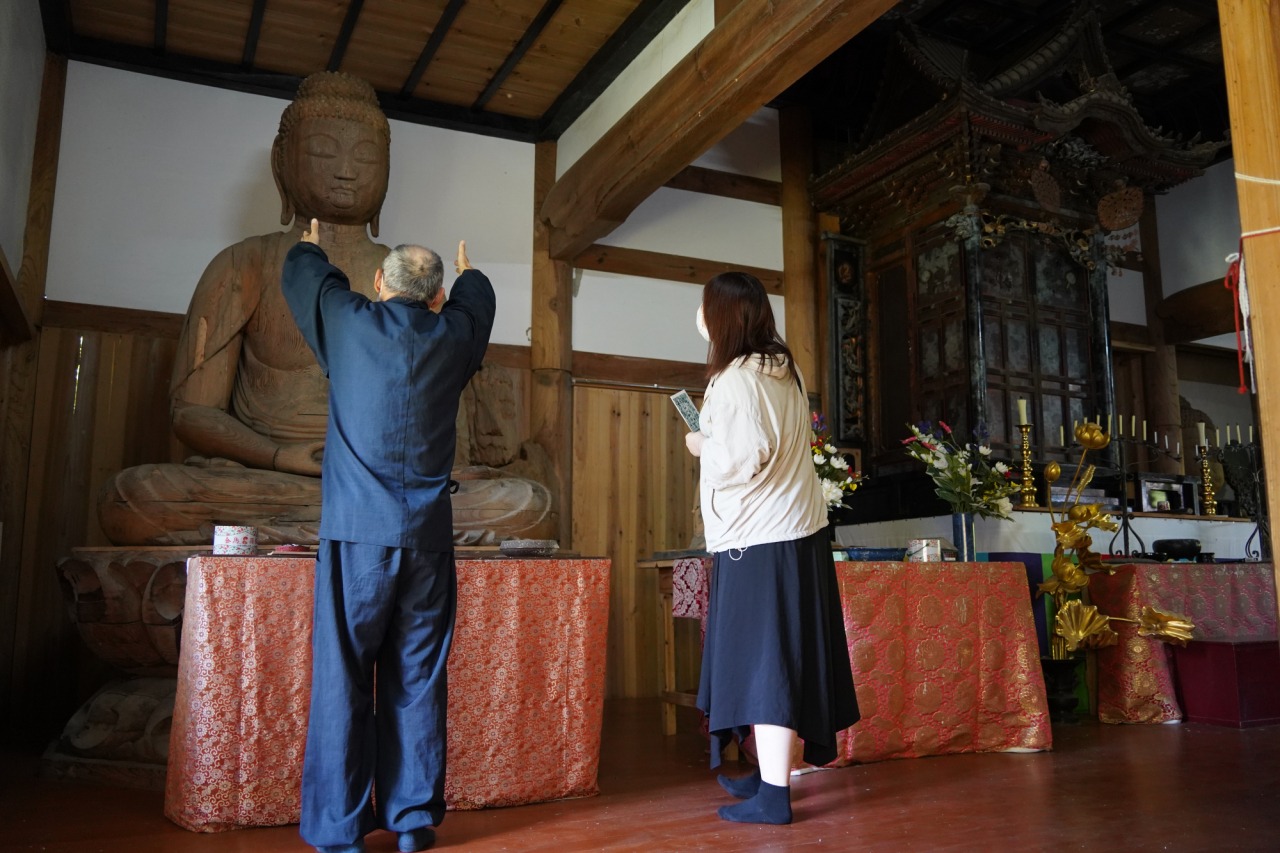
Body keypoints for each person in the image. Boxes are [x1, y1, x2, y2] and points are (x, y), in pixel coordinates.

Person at [96, 70, 550, 548]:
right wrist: (278, 455)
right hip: (276, 478)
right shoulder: (244, 264)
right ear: (282, 164)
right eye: (322, 152)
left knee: (524, 503)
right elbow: (191, 413)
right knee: (137, 497)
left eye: (366, 157)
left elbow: (438, 400)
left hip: (388, 482)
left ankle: (308, 536)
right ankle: (353, 532)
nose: (346, 170)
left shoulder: (405, 273)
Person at [282, 218, 494, 853]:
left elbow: (309, 280)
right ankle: (410, 821)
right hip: (427, 536)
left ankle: (341, 831)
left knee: (345, 675)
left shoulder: (348, 322)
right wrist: (469, 272)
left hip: (356, 535)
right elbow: (476, 303)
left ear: (379, 283)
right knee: (418, 675)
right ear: (435, 297)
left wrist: (310, 248)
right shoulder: (454, 337)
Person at [683, 271, 860, 825]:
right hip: (796, 535)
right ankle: (768, 779)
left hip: (759, 541)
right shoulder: (783, 368)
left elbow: (741, 459)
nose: (699, 317)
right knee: (777, 661)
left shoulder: (736, 378)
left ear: (722, 317)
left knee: (766, 668)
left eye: (704, 308)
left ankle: (775, 797)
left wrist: (699, 443)